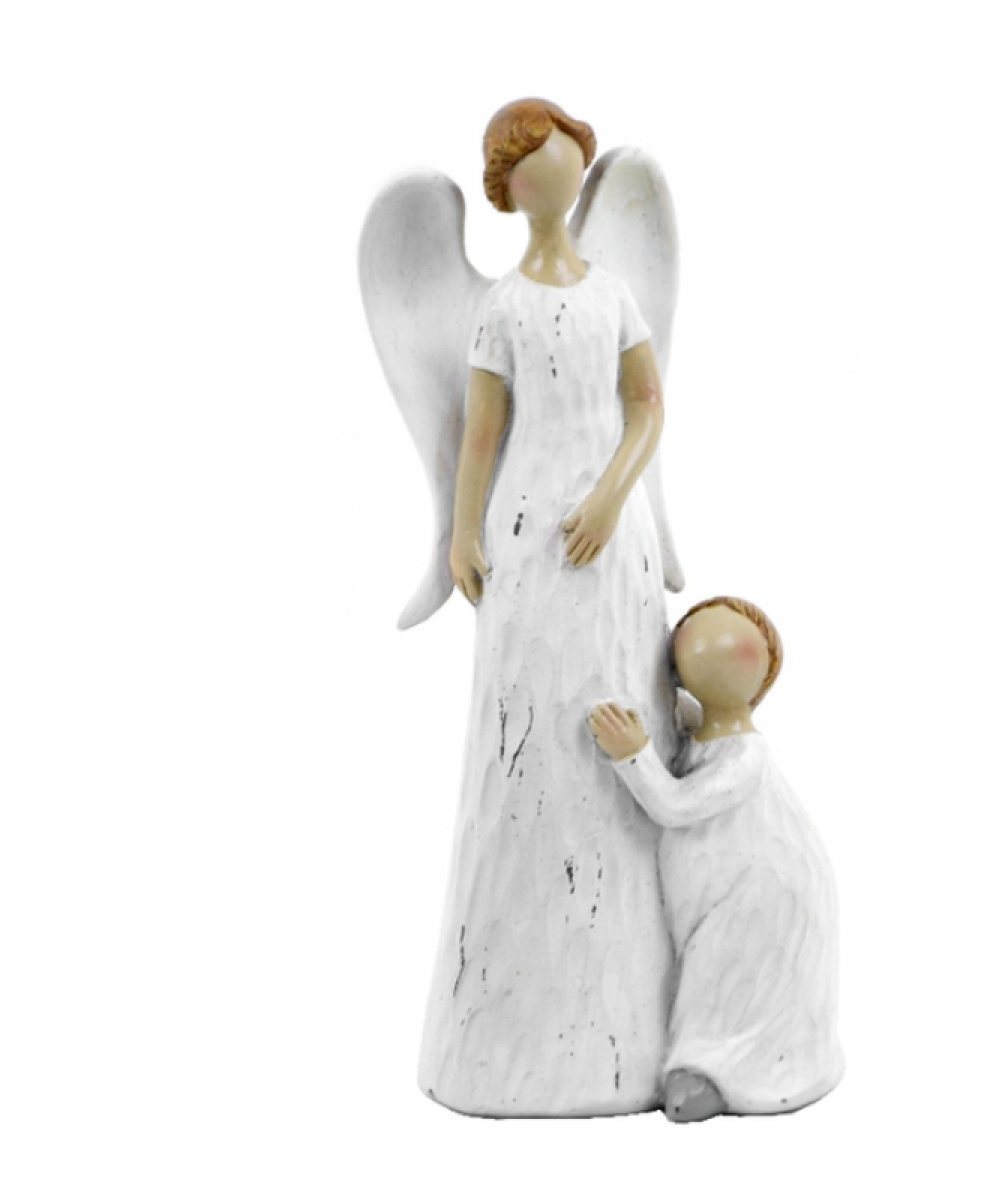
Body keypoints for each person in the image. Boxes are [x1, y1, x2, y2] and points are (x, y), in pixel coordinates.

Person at [418, 100, 675, 1117]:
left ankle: (629, 1014)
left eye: (562, 158)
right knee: (530, 742)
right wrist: (460, 532)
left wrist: (614, 494)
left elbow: (648, 405)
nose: (551, 178)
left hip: (612, 544)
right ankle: (514, 1016)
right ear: (506, 189)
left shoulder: (613, 291)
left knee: (615, 715)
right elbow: (480, 434)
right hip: (527, 538)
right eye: (528, 167)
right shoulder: (500, 308)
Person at [589, 597, 845, 1122]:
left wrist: (632, 754)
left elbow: (675, 805)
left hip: (759, 896)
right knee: (710, 972)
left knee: (730, 977)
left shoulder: (746, 756)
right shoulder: (695, 728)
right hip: (717, 898)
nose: (713, 648)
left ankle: (719, 1070)